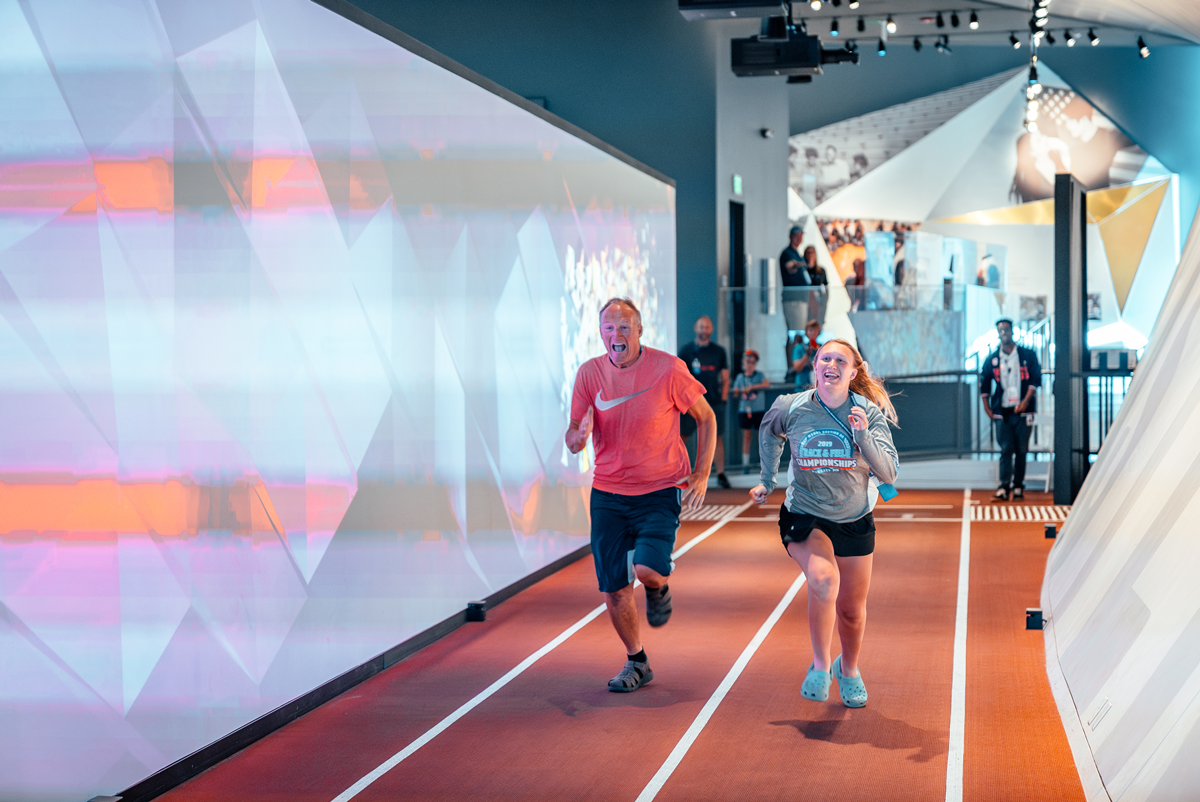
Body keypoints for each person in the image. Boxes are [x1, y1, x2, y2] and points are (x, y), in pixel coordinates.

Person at [566, 298, 716, 693]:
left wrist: (701, 473)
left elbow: (706, 416)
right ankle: (637, 661)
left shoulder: (668, 368)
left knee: (647, 570)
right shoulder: (588, 374)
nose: (617, 334)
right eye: (610, 327)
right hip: (608, 493)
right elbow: (572, 436)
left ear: (639, 330)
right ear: (602, 333)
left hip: (659, 488)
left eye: (625, 327)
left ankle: (657, 587)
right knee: (614, 589)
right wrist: (576, 438)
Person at [750, 339, 898, 708]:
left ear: (853, 371)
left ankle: (848, 670)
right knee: (823, 579)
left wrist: (862, 435)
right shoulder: (791, 406)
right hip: (805, 512)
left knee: (851, 610)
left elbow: (889, 472)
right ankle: (819, 666)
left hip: (853, 517)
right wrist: (767, 481)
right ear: (815, 366)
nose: (831, 364)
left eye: (840, 360)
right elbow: (769, 434)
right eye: (825, 358)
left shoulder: (868, 412)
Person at [979, 318, 1042, 500]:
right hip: (1002, 410)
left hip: (1024, 410)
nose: (1004, 333)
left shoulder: (1027, 355)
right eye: (1001, 330)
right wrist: (988, 408)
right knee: (1005, 448)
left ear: (1012, 331)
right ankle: (1004, 486)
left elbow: (1035, 380)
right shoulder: (992, 359)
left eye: (1006, 329)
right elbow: (984, 384)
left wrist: (1025, 401)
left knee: (1021, 449)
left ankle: (1018, 485)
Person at [679, 316, 731, 489]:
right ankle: (676, 472)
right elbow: (678, 376)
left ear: (712, 329)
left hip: (714, 402)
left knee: (716, 438)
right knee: (681, 437)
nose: (704, 330)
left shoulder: (719, 351)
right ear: (696, 328)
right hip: (690, 403)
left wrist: (723, 399)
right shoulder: (686, 350)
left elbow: (725, 376)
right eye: (701, 326)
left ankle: (721, 475)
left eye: (707, 327)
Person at [732, 350, 770, 466]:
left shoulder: (759, 375)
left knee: (761, 437)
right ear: (744, 362)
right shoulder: (740, 377)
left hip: (758, 410)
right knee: (746, 437)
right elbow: (735, 392)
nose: (750, 365)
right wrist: (738, 391)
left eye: (753, 363)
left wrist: (752, 387)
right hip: (745, 410)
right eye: (748, 362)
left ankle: (763, 462)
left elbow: (766, 384)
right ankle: (746, 463)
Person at [781, 226, 811, 334]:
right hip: (793, 300)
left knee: (801, 330)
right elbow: (789, 267)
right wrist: (796, 264)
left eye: (800, 236)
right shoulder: (787, 253)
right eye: (796, 236)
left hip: (802, 298)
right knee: (796, 332)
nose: (799, 238)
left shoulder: (798, 254)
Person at [791, 319, 822, 390]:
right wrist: (808, 354)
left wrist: (819, 352)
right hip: (801, 387)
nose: (813, 333)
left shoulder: (823, 348)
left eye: (815, 330)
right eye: (810, 330)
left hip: (818, 387)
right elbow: (797, 368)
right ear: (806, 332)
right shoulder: (799, 348)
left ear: (818, 332)